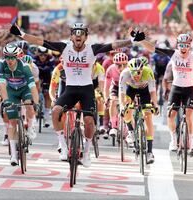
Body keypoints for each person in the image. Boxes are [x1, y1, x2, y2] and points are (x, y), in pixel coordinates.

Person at [10, 22, 146, 167]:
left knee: (88, 121)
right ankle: (62, 145)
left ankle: (87, 153)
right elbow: (39, 41)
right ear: (71, 37)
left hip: (86, 90)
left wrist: (132, 40)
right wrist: (22, 35)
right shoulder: (64, 47)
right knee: (56, 111)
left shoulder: (92, 49)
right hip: (70, 90)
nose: (78, 36)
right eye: (75, 33)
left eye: (81, 34)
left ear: (86, 37)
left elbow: (113, 45)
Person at [0, 43, 39, 166]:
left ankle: (30, 127)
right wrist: (6, 101)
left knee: (29, 105)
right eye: (7, 57)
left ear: (17, 57)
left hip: (24, 89)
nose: (10, 60)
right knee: (13, 122)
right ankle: (13, 155)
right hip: (11, 91)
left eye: (12, 57)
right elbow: (2, 85)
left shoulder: (25, 67)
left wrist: (36, 103)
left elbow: (32, 87)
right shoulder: (1, 65)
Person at [119, 57, 158, 164]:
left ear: (142, 70)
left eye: (139, 72)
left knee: (148, 116)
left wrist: (155, 105)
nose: (136, 75)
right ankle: (131, 131)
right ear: (129, 71)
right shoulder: (124, 74)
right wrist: (123, 106)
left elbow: (153, 92)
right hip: (130, 90)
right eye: (133, 73)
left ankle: (149, 152)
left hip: (145, 91)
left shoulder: (148, 72)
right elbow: (121, 93)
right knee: (126, 108)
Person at [104, 52, 128, 139]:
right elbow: (106, 86)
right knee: (113, 101)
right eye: (118, 65)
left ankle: (128, 126)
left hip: (127, 87)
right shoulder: (110, 69)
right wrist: (107, 98)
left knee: (128, 104)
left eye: (124, 65)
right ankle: (114, 126)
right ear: (114, 64)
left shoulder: (130, 69)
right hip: (116, 86)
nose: (121, 68)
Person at [34, 46, 56, 128]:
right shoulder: (34, 59)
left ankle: (46, 118)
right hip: (37, 76)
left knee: (47, 95)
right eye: (41, 55)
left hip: (47, 76)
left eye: (45, 55)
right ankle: (36, 110)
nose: (43, 57)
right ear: (38, 54)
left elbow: (52, 72)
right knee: (34, 92)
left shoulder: (51, 59)